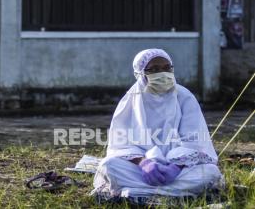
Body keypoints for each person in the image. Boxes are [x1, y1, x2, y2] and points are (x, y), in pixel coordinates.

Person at [92, 49, 222, 200]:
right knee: (109, 165)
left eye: (167, 68)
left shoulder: (184, 96)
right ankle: (176, 193)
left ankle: (139, 193)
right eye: (154, 69)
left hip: (180, 169)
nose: (163, 73)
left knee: (210, 172)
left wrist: (175, 167)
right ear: (141, 73)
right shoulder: (130, 100)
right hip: (143, 169)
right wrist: (144, 163)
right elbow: (121, 144)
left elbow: (194, 141)